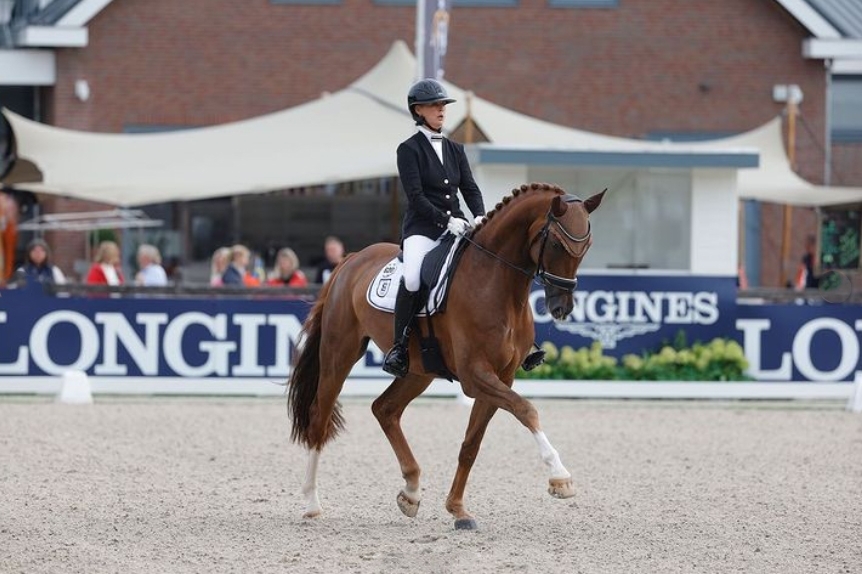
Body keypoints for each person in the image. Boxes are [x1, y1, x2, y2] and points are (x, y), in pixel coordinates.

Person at [381, 78, 486, 377]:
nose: (441, 110)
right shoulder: (408, 150)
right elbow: (415, 197)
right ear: (418, 110)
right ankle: (399, 347)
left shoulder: (455, 149)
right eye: (434, 105)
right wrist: (445, 220)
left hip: (459, 226)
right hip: (423, 229)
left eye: (443, 105)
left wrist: (479, 216)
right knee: (413, 277)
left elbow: (470, 188)